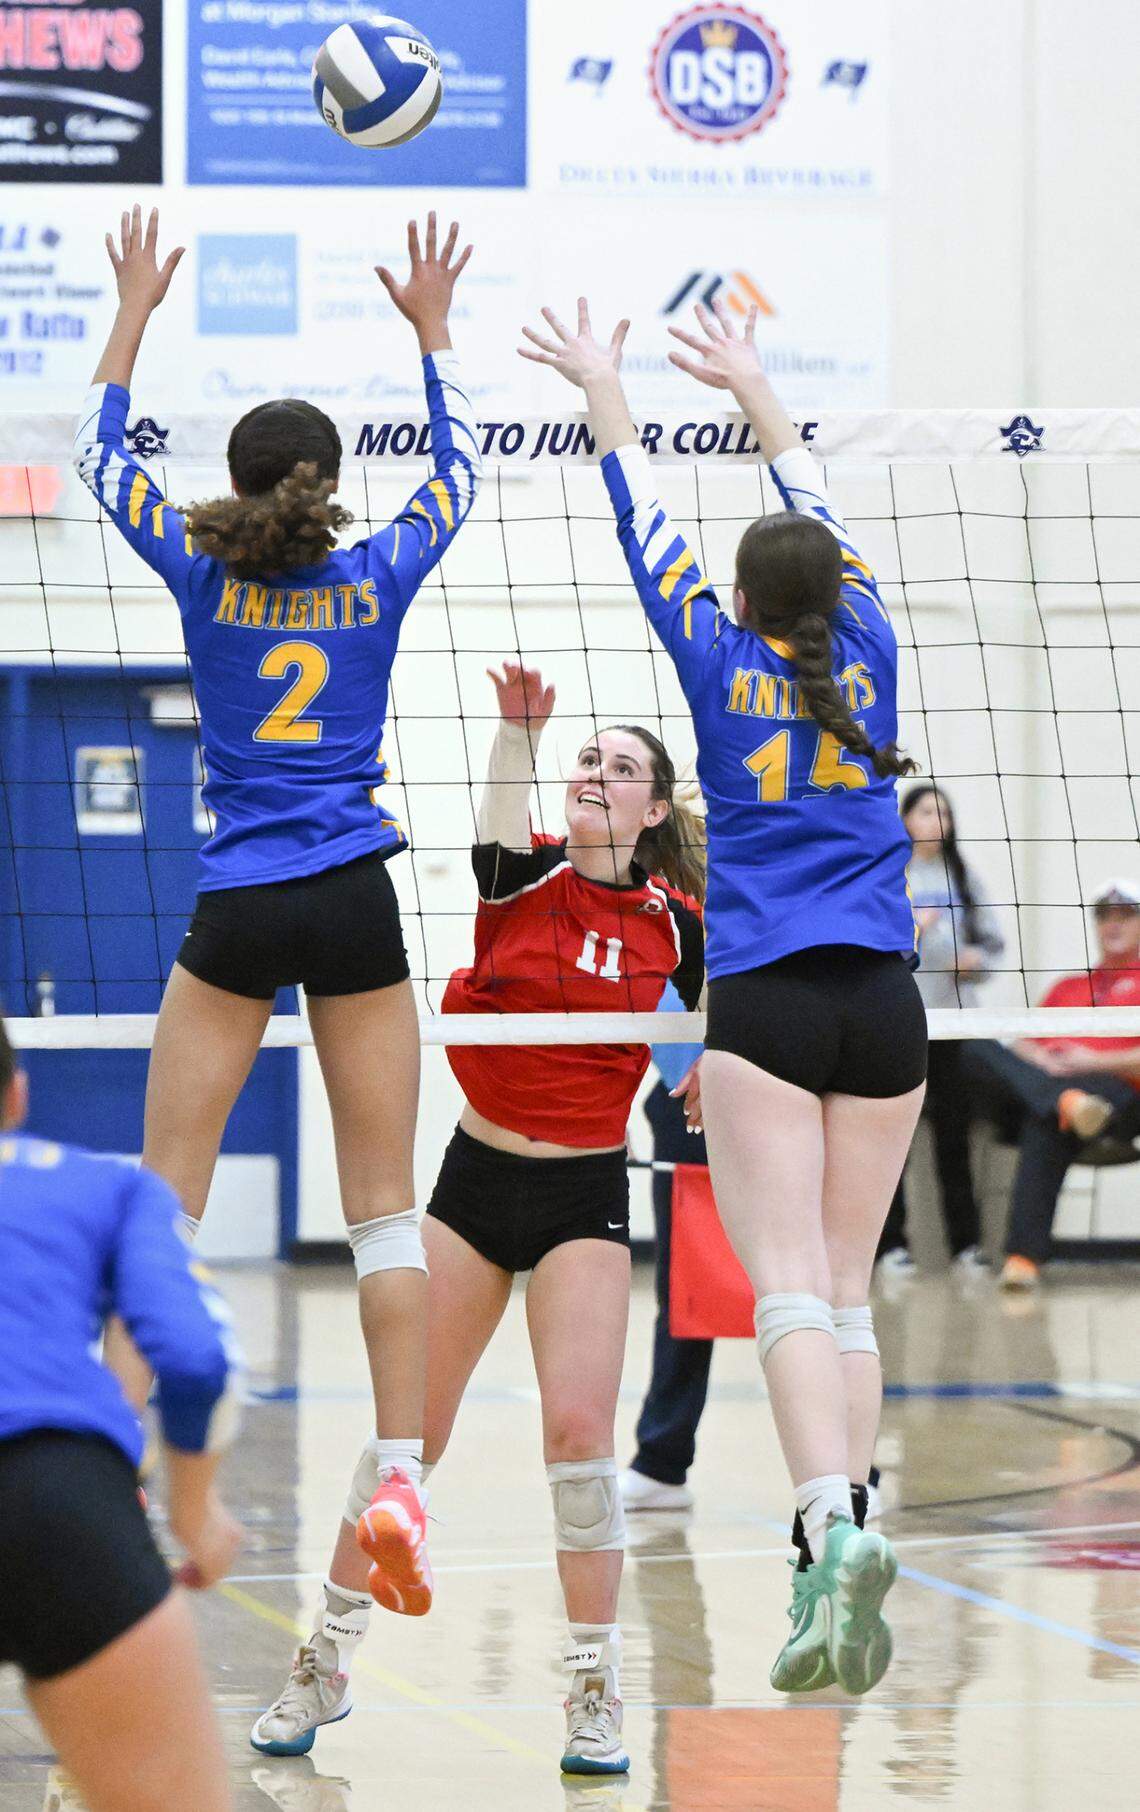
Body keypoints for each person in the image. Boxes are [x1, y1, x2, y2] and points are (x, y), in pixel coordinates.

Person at [519, 294, 926, 1697]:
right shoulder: (872, 646)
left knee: (788, 1290)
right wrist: (758, 386)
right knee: (849, 1293)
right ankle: (848, 1528)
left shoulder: (716, 656)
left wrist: (604, 382)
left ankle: (829, 1527)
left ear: (743, 606)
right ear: (835, 596)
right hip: (885, 1008)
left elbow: (642, 521)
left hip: (766, 1007)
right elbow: (813, 496)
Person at [78, 206, 480, 1617]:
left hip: (241, 900)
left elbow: (98, 459)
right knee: (384, 1213)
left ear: (241, 482)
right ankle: (400, 1476)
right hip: (356, 897)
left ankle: (113, 1468)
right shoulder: (375, 574)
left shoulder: (202, 574)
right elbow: (461, 477)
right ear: (332, 486)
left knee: (161, 1204)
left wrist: (134, 310)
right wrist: (433, 334)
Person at [253, 661, 704, 1774]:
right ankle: (324, 1661)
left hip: (584, 1195)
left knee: (580, 1442)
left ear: (655, 810)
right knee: (406, 1438)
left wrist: (711, 1067)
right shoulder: (522, 876)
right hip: (474, 1186)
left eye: (621, 767)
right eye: (588, 758)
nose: (596, 773)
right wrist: (518, 734)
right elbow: (499, 827)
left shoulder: (681, 928)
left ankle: (593, 1692)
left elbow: (724, 1020)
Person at [0, 1016, 242, 1812]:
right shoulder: (110, 1191)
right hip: (58, 1505)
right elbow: (197, 1356)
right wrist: (195, 1515)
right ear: (16, 1095)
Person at [965, 880, 1140, 1289]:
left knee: (1045, 1118)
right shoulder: (1068, 987)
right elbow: (1024, 1043)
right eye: (1104, 916)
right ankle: (1064, 1102)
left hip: (1117, 1096)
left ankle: (1024, 1257)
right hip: (1055, 1087)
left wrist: (1094, 1061)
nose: (1113, 924)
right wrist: (1040, 1058)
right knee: (974, 1046)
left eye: (1126, 915)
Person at [877, 784, 1005, 1275]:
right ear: (905, 819)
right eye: (927, 811)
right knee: (892, 1138)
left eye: (945, 813)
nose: (938, 821)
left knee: (955, 1137)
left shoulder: (963, 878)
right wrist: (914, 930)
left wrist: (975, 962)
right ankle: (891, 1246)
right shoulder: (889, 873)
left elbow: (993, 945)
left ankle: (966, 1247)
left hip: (953, 1025)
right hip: (899, 1022)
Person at [619, 981, 711, 1513]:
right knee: (684, 1294)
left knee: (808, 1290)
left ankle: (851, 1471)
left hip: (773, 1087)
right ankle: (661, 1463)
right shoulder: (656, 936)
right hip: (683, 1103)